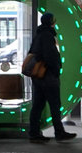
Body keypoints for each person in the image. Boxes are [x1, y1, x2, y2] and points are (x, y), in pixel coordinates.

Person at [27, 12, 75, 144]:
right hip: (47, 76)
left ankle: (34, 133)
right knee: (55, 105)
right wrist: (56, 70)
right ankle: (59, 132)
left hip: (38, 76)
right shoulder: (48, 35)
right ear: (51, 22)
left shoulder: (38, 35)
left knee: (38, 105)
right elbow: (50, 56)